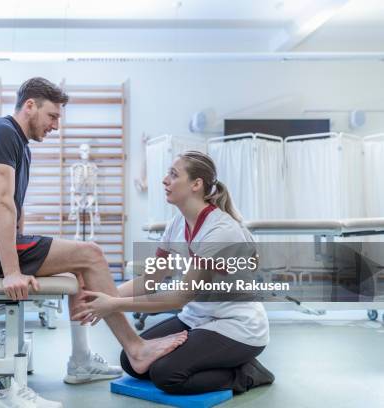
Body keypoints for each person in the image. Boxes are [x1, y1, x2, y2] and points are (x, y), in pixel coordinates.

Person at [0, 78, 185, 406]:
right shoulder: (2, 131)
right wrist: (12, 272)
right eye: (53, 116)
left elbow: (15, 211)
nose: (56, 126)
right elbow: (1, 202)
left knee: (79, 268)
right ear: (29, 105)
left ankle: (81, 360)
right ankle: (136, 347)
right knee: (90, 253)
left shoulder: (20, 146)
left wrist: (25, 254)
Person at [73, 151, 275, 395]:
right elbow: (150, 280)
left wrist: (113, 304)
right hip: (197, 319)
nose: (164, 180)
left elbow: (180, 297)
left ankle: (247, 373)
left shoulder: (220, 231)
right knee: (132, 361)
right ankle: (214, 359)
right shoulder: (176, 224)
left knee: (167, 375)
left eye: (173, 174)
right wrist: (103, 296)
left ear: (196, 185)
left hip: (237, 326)